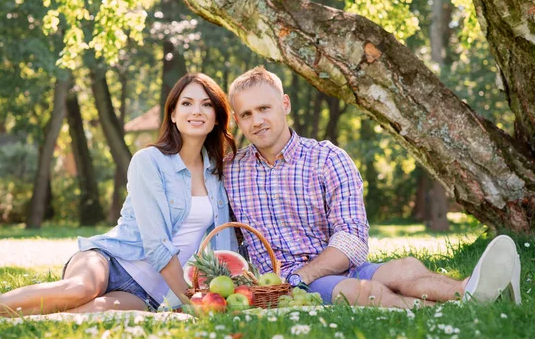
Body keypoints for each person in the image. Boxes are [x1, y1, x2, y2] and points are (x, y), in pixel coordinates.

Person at [0, 73, 238, 319]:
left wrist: (226, 291)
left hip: (150, 292)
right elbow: (157, 245)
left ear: (216, 117)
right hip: (111, 260)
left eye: (206, 105)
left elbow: (223, 243)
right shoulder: (150, 161)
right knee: (77, 291)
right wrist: (193, 302)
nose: (196, 111)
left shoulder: (220, 173)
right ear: (173, 114)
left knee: (69, 316)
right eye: (186, 103)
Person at [223, 66, 521, 308]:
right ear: (237, 119)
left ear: (284, 104)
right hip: (282, 284)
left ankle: (468, 288)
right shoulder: (230, 170)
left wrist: (304, 273)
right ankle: (450, 307)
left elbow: (352, 238)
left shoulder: (328, 159)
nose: (257, 121)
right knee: (360, 292)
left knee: (405, 268)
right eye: (247, 114)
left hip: (333, 265)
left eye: (264, 108)